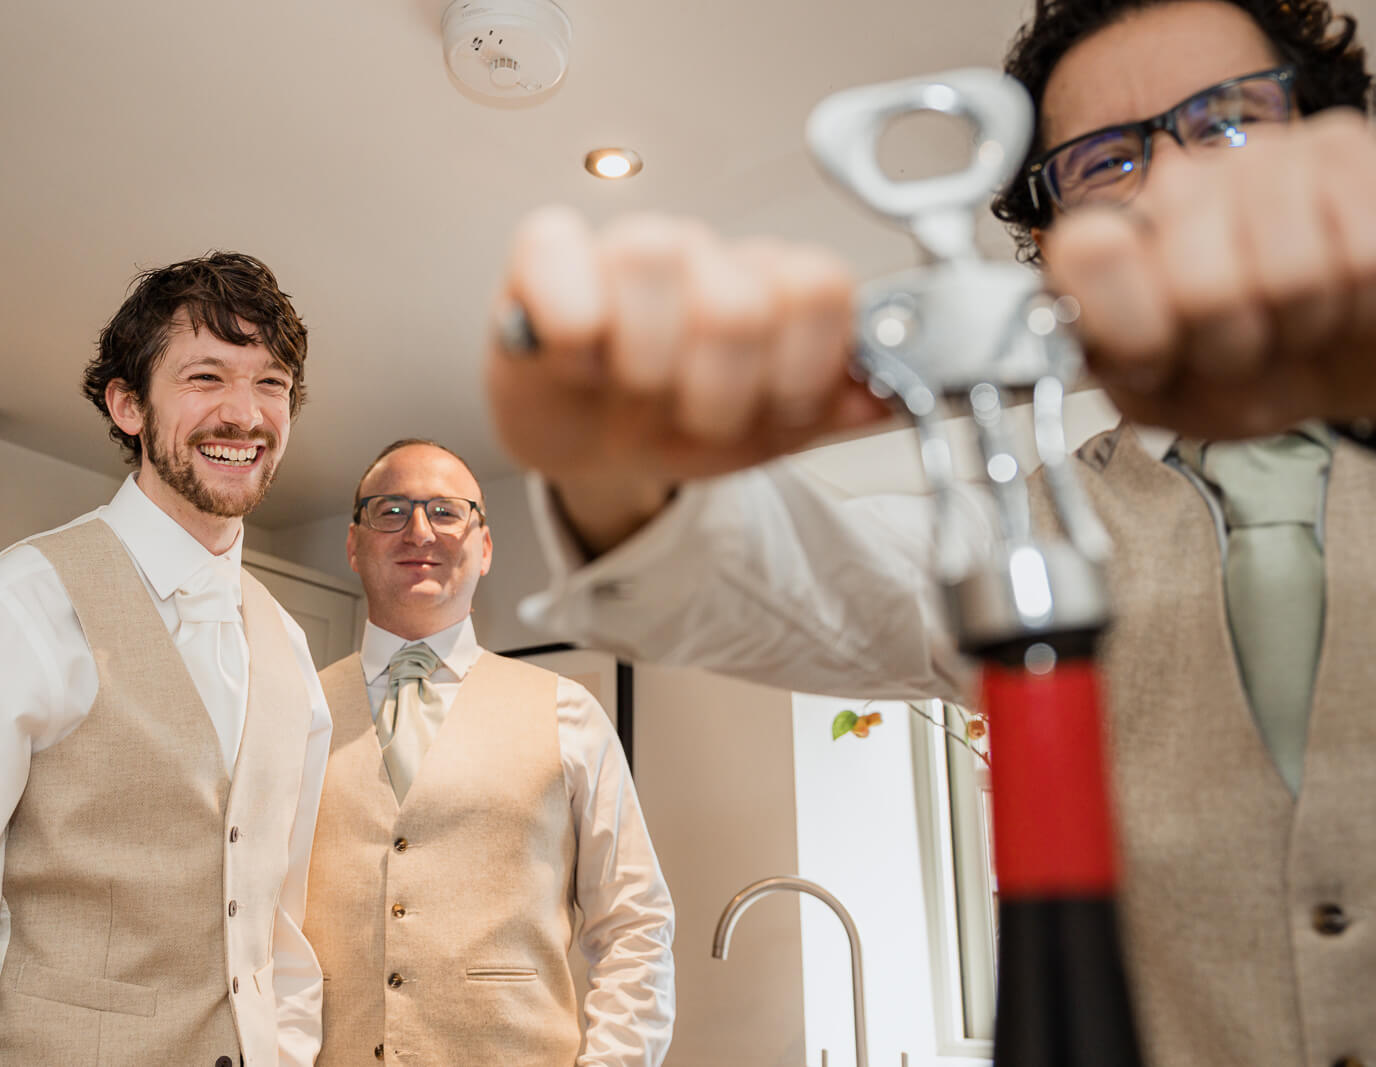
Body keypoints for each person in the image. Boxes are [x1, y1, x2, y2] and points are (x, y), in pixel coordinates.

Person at [485, 1, 1376, 1064]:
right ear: (1048, 250)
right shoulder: (1020, 527)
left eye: (1228, 119)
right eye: (1104, 162)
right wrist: (612, 453)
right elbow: (769, 575)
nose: (1175, 184)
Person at [0, 252, 333, 1067]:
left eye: (271, 383)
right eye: (206, 376)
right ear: (128, 404)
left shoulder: (291, 645)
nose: (245, 414)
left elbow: (278, 933)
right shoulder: (14, 611)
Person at [301, 438, 674, 1066]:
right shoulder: (292, 712)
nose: (418, 530)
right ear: (353, 544)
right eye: (389, 511)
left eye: (446, 511)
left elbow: (635, 923)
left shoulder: (569, 712)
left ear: (485, 548)